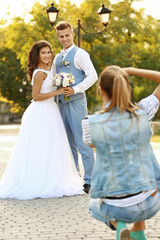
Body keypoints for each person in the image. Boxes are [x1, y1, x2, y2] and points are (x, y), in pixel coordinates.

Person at [82, 66, 160, 240]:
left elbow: (91, 144)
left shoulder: (90, 123)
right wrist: (132, 70)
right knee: (141, 179)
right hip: (150, 202)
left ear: (101, 90)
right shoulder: (142, 112)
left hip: (116, 207)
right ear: (126, 86)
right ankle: (139, 231)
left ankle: (119, 226)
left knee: (94, 205)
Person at [0, 40, 84, 200]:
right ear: (37, 55)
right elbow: (36, 96)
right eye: (43, 52)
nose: (47, 55)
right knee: (39, 146)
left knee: (52, 146)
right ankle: (37, 181)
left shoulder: (51, 70)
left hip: (51, 111)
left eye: (49, 52)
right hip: (40, 112)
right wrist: (57, 91)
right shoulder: (39, 73)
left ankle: (52, 178)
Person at [54, 21, 98, 193]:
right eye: (61, 36)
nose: (64, 39)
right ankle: (73, 178)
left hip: (77, 102)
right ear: (58, 37)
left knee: (83, 142)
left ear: (72, 34)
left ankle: (90, 181)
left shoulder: (80, 54)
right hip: (61, 104)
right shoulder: (57, 57)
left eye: (67, 35)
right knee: (68, 143)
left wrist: (75, 89)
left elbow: (93, 76)